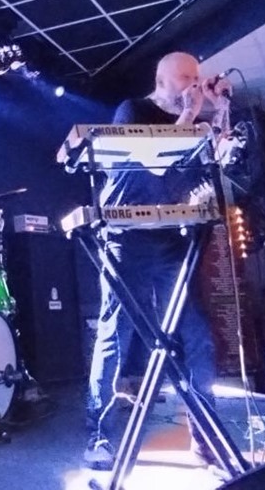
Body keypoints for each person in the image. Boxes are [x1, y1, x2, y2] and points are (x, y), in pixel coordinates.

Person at [84, 51, 230, 471]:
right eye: (185, 77)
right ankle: (99, 437)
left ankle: (205, 434)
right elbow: (153, 164)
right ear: (161, 80)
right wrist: (190, 116)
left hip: (170, 238)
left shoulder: (194, 120)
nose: (192, 85)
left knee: (196, 337)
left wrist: (219, 111)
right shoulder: (133, 110)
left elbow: (216, 159)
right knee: (116, 336)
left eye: (196, 77)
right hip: (126, 238)